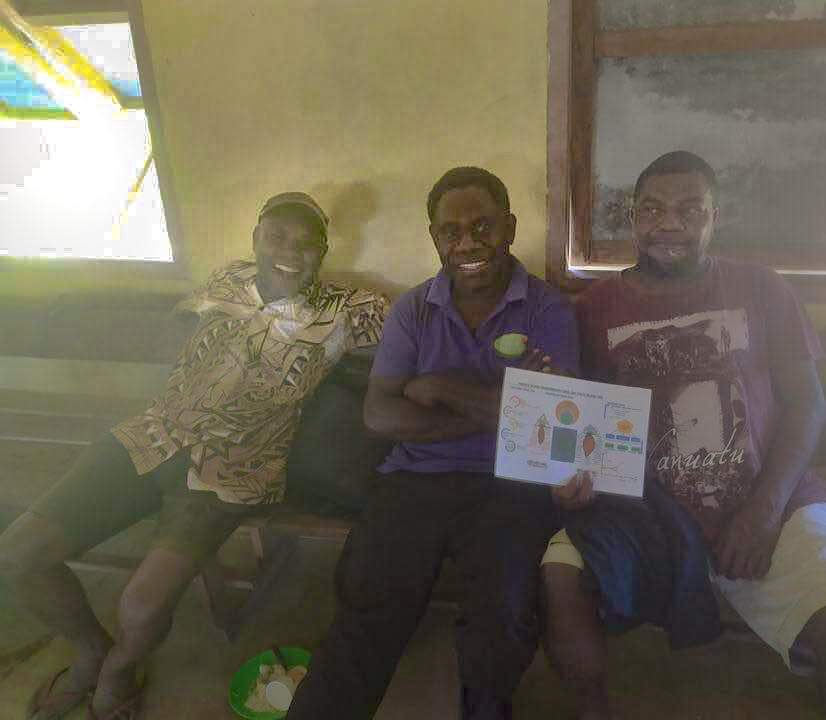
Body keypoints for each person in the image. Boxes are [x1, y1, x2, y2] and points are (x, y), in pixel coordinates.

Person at [0, 192, 388, 720]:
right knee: (18, 554)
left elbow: (414, 337)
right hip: (150, 436)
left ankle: (118, 672)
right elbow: (179, 331)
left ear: (322, 252)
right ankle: (91, 651)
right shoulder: (226, 279)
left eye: (306, 244)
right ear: (255, 238)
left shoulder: (349, 309)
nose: (289, 252)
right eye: (276, 236)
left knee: (141, 605)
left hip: (233, 467)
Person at [542, 151, 826, 720]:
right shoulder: (591, 309)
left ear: (716, 217)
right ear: (632, 218)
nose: (669, 224)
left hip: (770, 498)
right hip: (645, 510)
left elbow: (808, 404)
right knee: (560, 579)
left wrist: (765, 509)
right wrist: (572, 481)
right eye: (652, 210)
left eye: (690, 210)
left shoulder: (763, 289)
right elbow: (579, 420)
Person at [287, 167, 580, 720]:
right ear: (435, 238)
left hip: (510, 483)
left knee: (503, 615)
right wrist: (501, 406)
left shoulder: (549, 311)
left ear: (510, 228)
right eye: (451, 231)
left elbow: (555, 422)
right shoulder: (414, 310)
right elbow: (379, 415)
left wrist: (438, 389)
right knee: (366, 602)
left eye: (483, 226)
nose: (467, 243)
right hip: (413, 480)